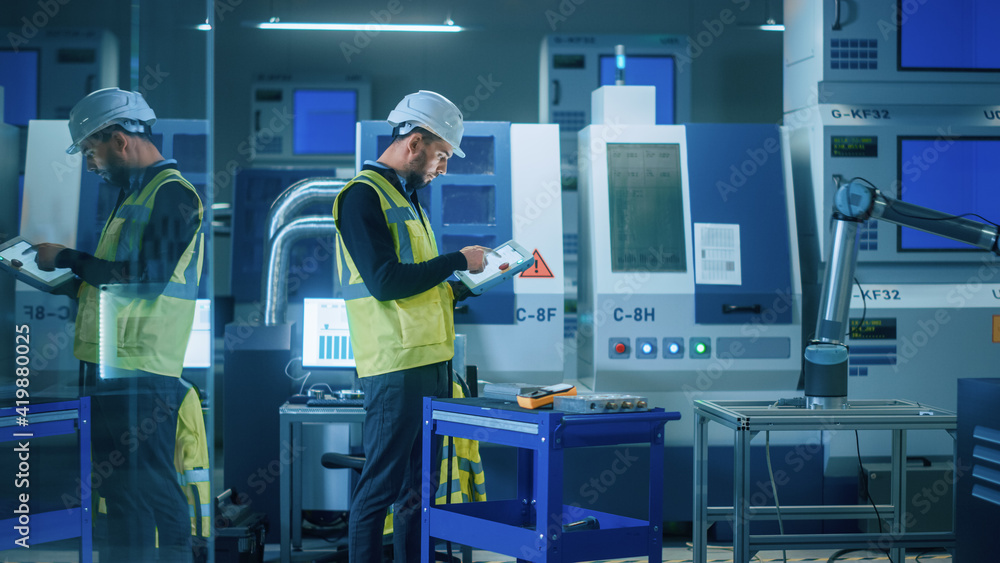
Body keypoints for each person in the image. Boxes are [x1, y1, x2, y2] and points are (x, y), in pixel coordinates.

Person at [32, 87, 205, 563]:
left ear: (120, 140)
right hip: (109, 364)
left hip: (143, 369)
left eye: (91, 150)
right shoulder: (136, 195)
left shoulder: (173, 196)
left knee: (153, 488)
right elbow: (115, 283)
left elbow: (145, 281)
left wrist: (67, 256)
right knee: (119, 492)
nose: (90, 163)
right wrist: (73, 283)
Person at [332, 90, 486, 563]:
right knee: (380, 488)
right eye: (441, 155)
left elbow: (416, 283)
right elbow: (384, 282)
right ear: (414, 143)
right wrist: (456, 259)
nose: (444, 168)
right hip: (396, 367)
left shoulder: (408, 200)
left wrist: (462, 284)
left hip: (431, 364)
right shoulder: (361, 197)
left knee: (421, 490)